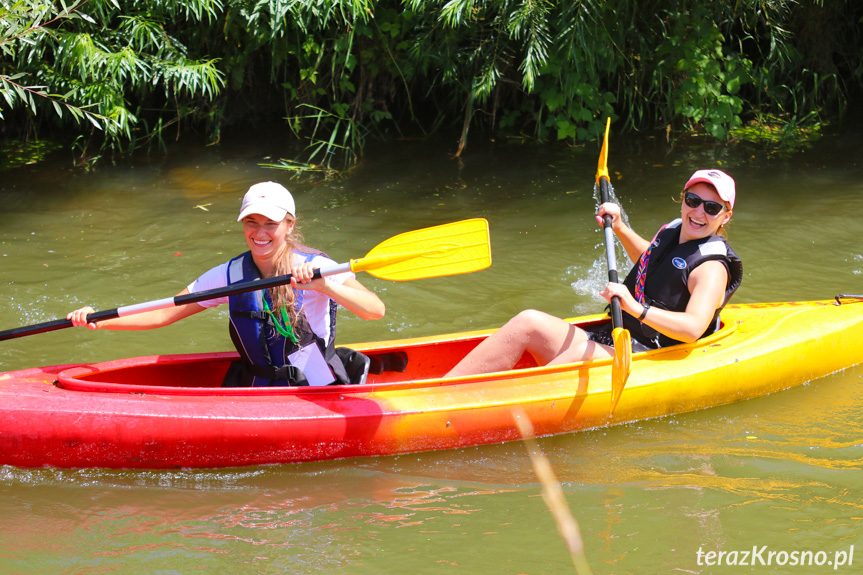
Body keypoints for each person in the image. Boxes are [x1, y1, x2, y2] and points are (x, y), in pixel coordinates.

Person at [68, 181, 386, 387]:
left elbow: (375, 311)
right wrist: (99, 319)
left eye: (270, 224)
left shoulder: (317, 267)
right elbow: (162, 313)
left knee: (302, 357)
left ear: (289, 225)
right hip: (256, 379)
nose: (259, 233)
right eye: (252, 222)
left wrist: (325, 287)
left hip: (312, 373)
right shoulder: (228, 275)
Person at [445, 169, 743, 377]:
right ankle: (445, 392)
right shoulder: (675, 230)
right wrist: (621, 227)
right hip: (617, 338)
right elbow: (651, 263)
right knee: (529, 321)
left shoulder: (712, 269)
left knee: (577, 356)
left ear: (725, 216)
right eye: (692, 201)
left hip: (652, 355)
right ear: (683, 199)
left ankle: (502, 410)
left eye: (712, 207)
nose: (699, 212)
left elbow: (692, 329)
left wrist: (635, 308)